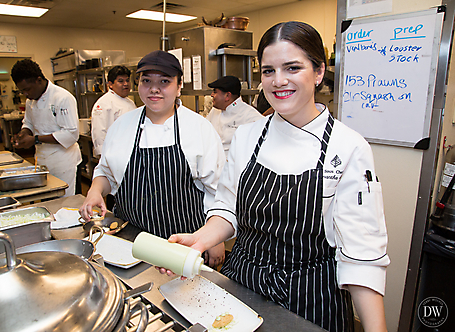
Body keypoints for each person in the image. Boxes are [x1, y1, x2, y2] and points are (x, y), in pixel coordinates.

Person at [161, 22, 390, 332]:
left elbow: (362, 257)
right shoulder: (248, 136)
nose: (278, 81)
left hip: (310, 296)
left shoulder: (347, 147)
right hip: (242, 285)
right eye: (268, 71)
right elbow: (227, 207)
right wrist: (198, 241)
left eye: (292, 67)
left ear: (319, 72)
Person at [79, 50, 226, 266]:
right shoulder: (121, 126)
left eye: (164, 81)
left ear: (179, 86)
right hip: (129, 241)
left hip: (184, 242)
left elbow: (219, 190)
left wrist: (213, 237)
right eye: (146, 81)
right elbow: (106, 172)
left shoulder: (199, 128)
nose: (154, 89)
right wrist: (94, 192)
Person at [11, 58, 81, 197]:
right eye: (22, 91)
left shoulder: (62, 97)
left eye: (27, 89)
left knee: (67, 203)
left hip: (64, 162)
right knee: (47, 199)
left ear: (38, 80)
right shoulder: (30, 101)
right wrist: (23, 134)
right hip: (42, 159)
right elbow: (29, 122)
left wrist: (35, 140)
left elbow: (70, 134)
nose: (25, 94)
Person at [207, 75, 263, 157]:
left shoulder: (251, 117)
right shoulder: (215, 111)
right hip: (214, 162)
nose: (211, 95)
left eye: (215, 92)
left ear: (227, 96)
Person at [91, 65, 136, 157]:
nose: (125, 84)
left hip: (129, 152)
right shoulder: (104, 103)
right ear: (110, 84)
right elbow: (99, 132)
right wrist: (103, 156)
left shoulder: (130, 102)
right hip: (113, 153)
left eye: (127, 80)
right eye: (120, 81)